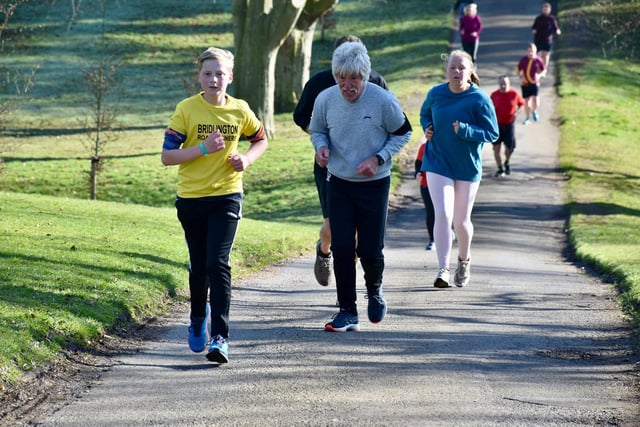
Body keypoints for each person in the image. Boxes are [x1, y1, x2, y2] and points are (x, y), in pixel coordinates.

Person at [161, 47, 268, 363]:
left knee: (218, 264)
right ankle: (197, 318)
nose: (213, 79)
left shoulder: (240, 110)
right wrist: (204, 149)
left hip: (227, 195)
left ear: (230, 77)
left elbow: (260, 139)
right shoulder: (186, 109)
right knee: (199, 265)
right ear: (199, 77)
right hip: (192, 199)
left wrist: (246, 160)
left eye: (220, 73)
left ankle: (220, 337)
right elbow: (167, 156)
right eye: (207, 73)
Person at [309, 42, 412, 332]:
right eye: (341, 78)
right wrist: (322, 147)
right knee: (342, 247)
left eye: (353, 78)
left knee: (369, 249)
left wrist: (378, 158)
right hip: (339, 182)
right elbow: (317, 130)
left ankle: (375, 290)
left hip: (374, 184)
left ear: (364, 77)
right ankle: (346, 311)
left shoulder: (382, 100)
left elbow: (404, 133)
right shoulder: (326, 99)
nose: (347, 85)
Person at [293, 35, 388, 288]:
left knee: (355, 233)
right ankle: (324, 250)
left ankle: (347, 285)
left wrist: (377, 157)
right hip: (329, 166)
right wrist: (321, 142)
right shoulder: (319, 83)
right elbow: (300, 115)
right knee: (333, 227)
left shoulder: (376, 82)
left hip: (364, 169)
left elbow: (390, 123)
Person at [419, 49, 498, 288]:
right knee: (442, 213)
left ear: (470, 71)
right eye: (452, 67)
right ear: (446, 70)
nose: (456, 72)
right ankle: (442, 269)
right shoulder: (436, 93)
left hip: (466, 166)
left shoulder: (479, 98)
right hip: (437, 161)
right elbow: (425, 113)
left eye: (462, 68)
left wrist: (466, 131)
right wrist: (428, 126)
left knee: (461, 221)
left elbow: (492, 132)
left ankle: (464, 260)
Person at [489, 75, 525, 177]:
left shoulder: (514, 94)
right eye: (501, 83)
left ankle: (507, 162)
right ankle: (500, 168)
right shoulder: (494, 95)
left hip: (509, 125)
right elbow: (488, 108)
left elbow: (522, 104)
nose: (503, 85)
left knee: (509, 149)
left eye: (505, 83)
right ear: (498, 84)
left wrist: (517, 113)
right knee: (496, 149)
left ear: (509, 83)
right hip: (497, 126)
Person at [516, 43, 545, 125]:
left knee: (535, 100)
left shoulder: (538, 60)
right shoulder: (523, 60)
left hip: (534, 83)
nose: (530, 53)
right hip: (525, 83)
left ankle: (534, 111)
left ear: (535, 51)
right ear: (527, 52)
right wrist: (521, 77)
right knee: (527, 101)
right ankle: (527, 117)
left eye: (532, 51)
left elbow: (543, 70)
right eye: (529, 51)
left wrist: (539, 75)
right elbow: (517, 69)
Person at [415, 140, 435, 250]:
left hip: (445, 185)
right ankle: (432, 240)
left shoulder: (447, 146)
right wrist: (417, 173)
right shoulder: (424, 147)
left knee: (444, 211)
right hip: (426, 184)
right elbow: (418, 163)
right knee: (431, 212)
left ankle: (448, 229)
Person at [531, 2, 561, 74]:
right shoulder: (538, 18)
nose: (545, 11)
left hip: (547, 39)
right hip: (538, 39)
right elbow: (533, 27)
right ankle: (537, 68)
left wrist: (557, 31)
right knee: (537, 55)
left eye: (547, 9)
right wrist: (534, 31)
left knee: (546, 55)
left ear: (549, 10)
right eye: (544, 9)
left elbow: (555, 27)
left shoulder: (552, 19)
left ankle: (544, 69)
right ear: (542, 10)